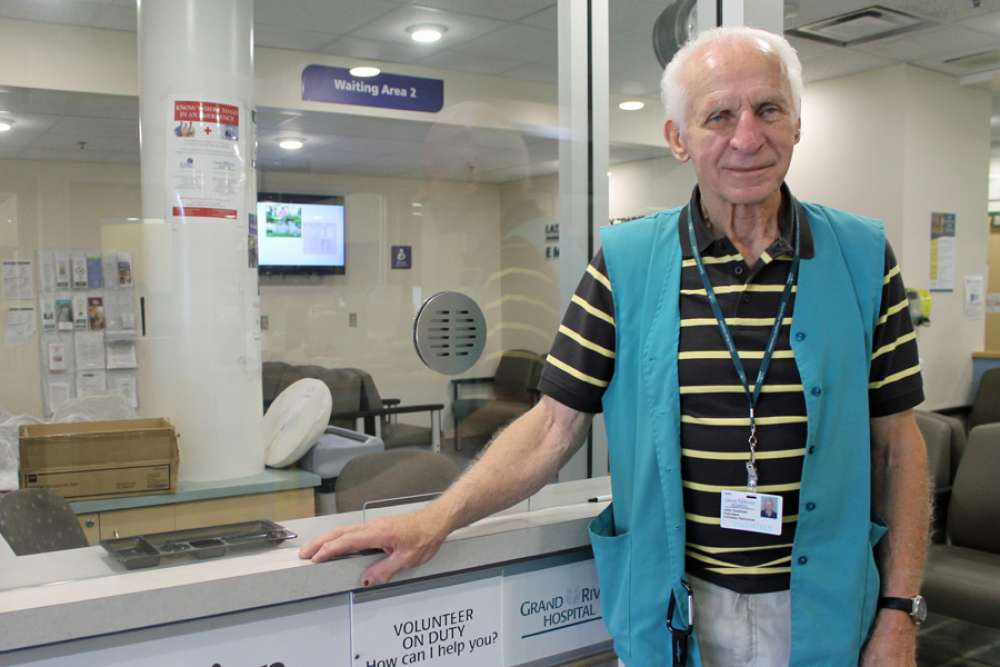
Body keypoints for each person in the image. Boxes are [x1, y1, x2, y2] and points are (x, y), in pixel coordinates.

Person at [301, 26, 929, 667]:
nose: (747, 137)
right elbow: (552, 426)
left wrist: (900, 612)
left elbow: (897, 447)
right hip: (675, 609)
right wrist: (437, 516)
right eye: (719, 116)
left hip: (825, 609)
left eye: (768, 109)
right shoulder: (626, 264)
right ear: (678, 139)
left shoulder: (861, 258)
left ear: (797, 123)